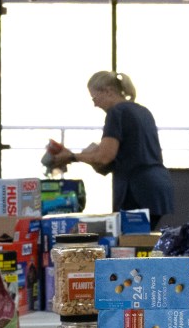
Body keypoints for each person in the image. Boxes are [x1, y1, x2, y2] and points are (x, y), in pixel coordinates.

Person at [44, 70, 174, 220]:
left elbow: (104, 157)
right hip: (158, 187)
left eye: (94, 97)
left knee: (131, 240)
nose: (94, 104)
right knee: (145, 239)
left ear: (108, 91)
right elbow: (127, 153)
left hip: (136, 189)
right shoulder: (142, 111)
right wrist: (82, 155)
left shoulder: (116, 113)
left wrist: (72, 156)